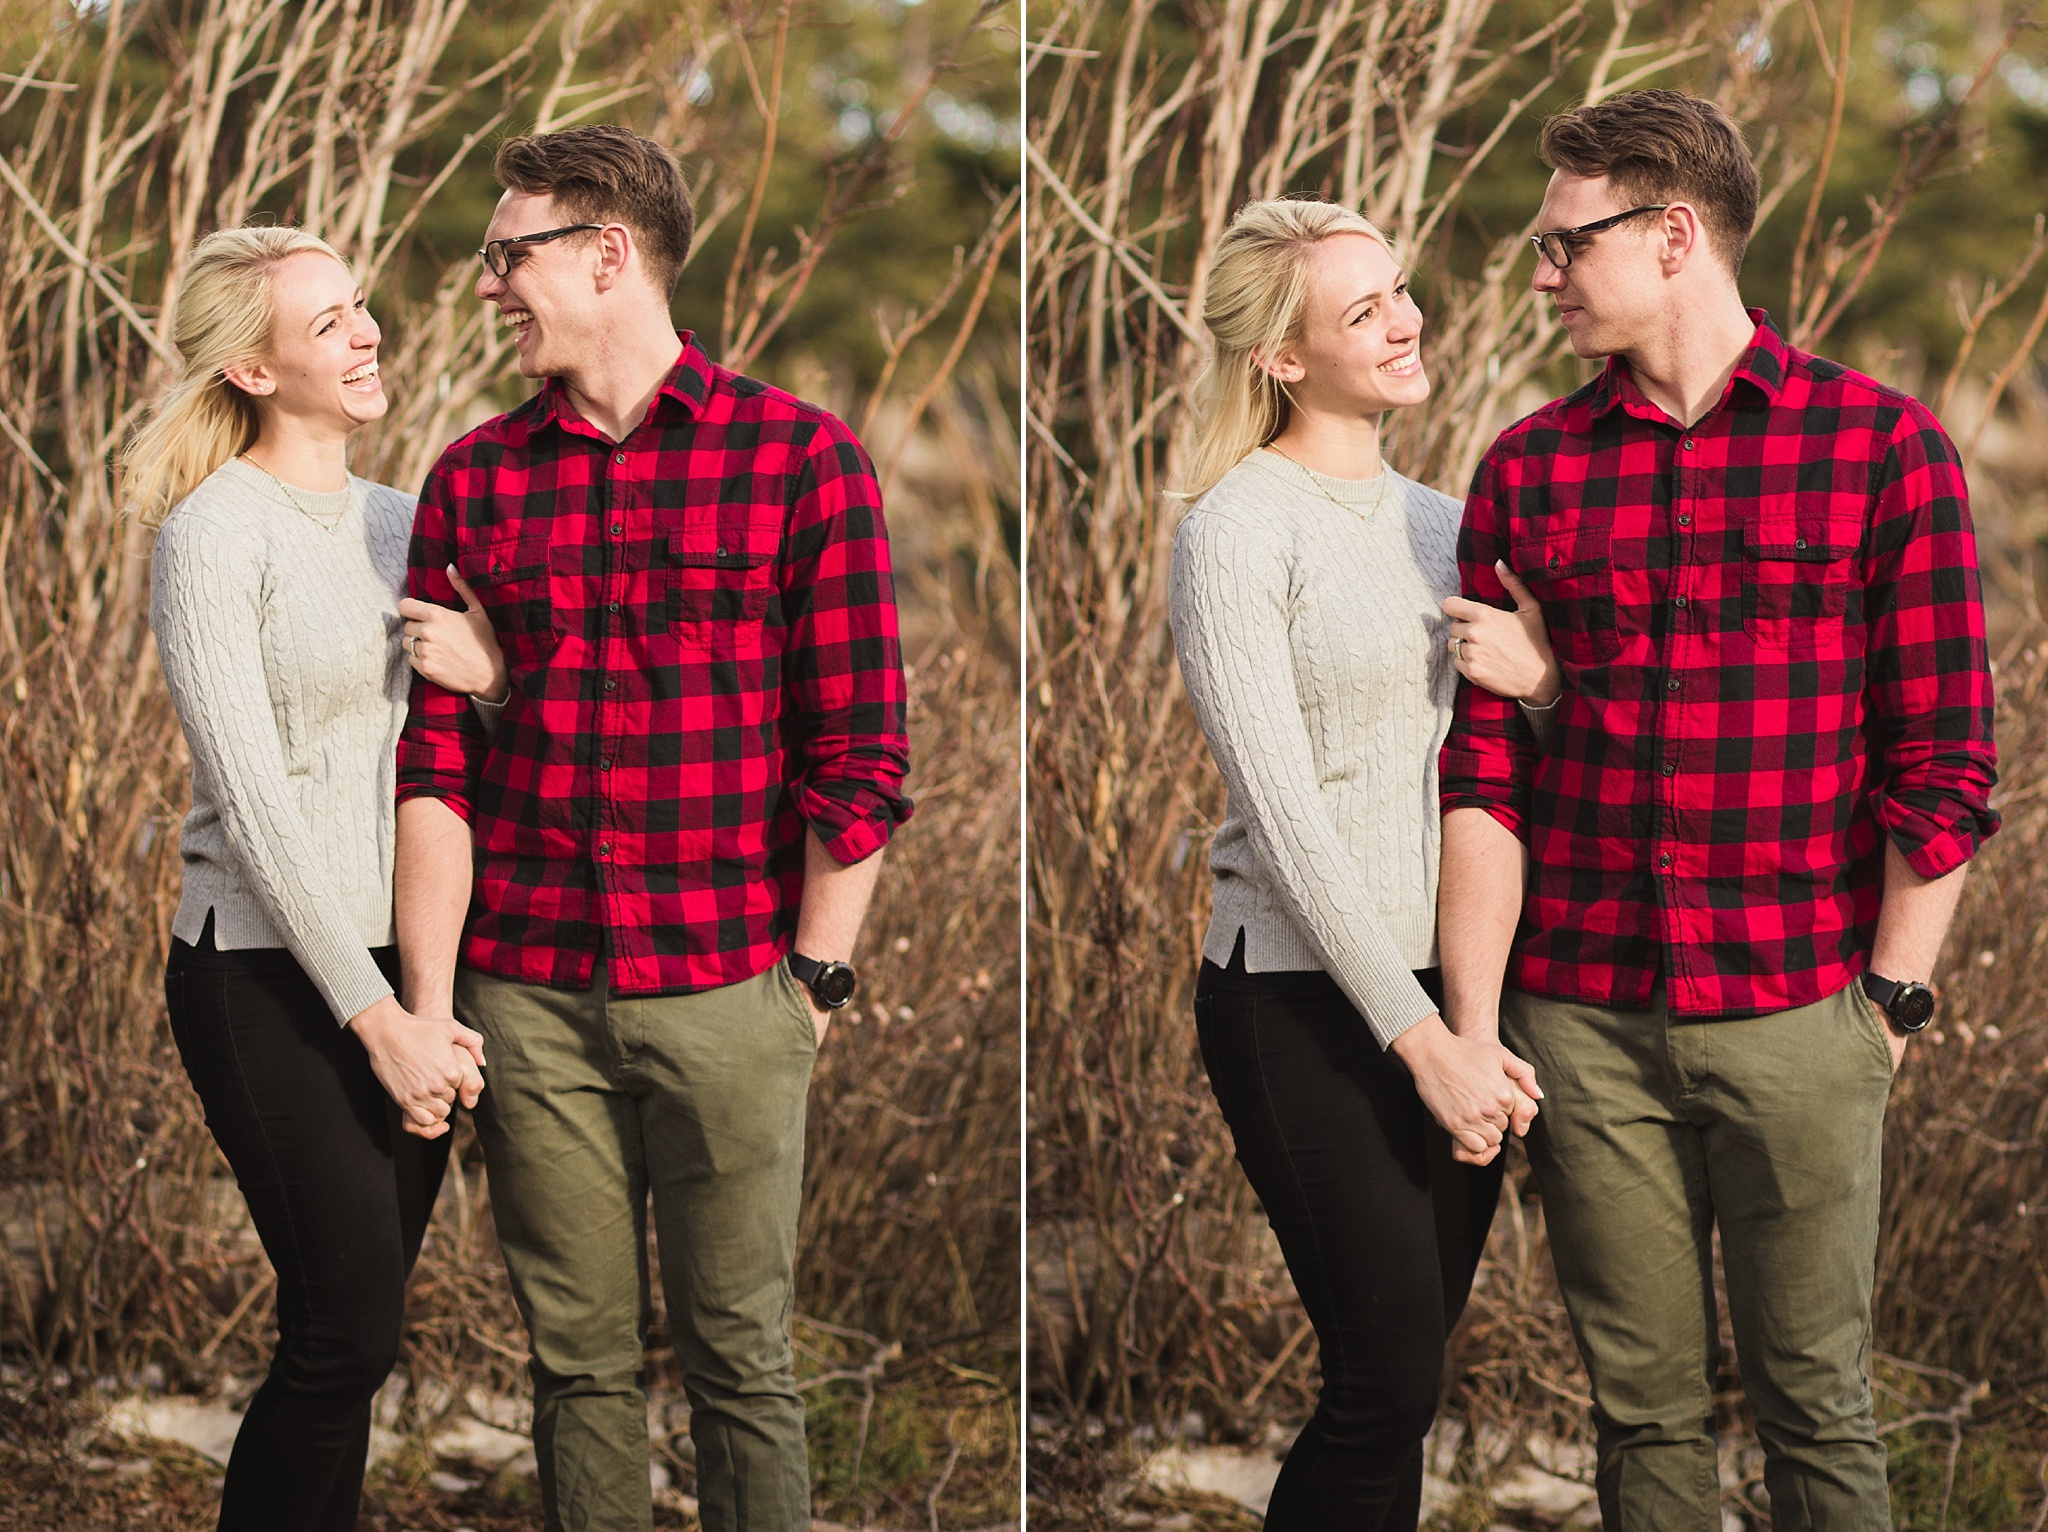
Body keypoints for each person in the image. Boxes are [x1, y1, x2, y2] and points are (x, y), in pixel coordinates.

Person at [1438, 90, 2000, 1532]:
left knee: (1820, 1412)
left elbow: (1941, 763)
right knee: (1644, 1426)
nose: (1543, 274)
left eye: (1566, 243)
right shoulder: (1528, 471)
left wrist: (1887, 1005)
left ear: (1674, 232)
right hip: (1587, 1022)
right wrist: (1483, 1025)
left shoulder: (1884, 451)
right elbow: (1487, 778)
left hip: (1805, 1013)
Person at [392, 125, 912, 1531]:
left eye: (510, 256)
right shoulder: (474, 480)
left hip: (734, 984)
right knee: (577, 1371)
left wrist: (813, 979)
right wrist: (437, 1008)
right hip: (531, 990)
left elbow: (859, 752)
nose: (489, 286)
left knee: (744, 1364)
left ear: (606, 252)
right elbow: (434, 763)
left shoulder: (804, 460)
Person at [1165, 197, 1556, 1531]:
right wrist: (1421, 1038)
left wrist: (1548, 681)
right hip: (1299, 1001)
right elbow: (1284, 814)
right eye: (1363, 311)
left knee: (1405, 1382)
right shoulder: (1234, 530)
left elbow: (1506, 764)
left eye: (1400, 292)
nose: (1406, 322)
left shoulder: (1451, 522)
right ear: (1282, 358)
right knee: (1386, 1378)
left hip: (1460, 991)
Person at [132, 225, 510, 1531]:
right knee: (344, 1334)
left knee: (350, 1342)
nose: (368, 335)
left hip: (410, 972)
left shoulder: (410, 524)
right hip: (263, 979)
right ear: (250, 369)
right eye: (330, 322)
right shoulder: (211, 537)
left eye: (362, 308)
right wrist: (381, 1023)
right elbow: (257, 809)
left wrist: (493, 674)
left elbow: (462, 762)